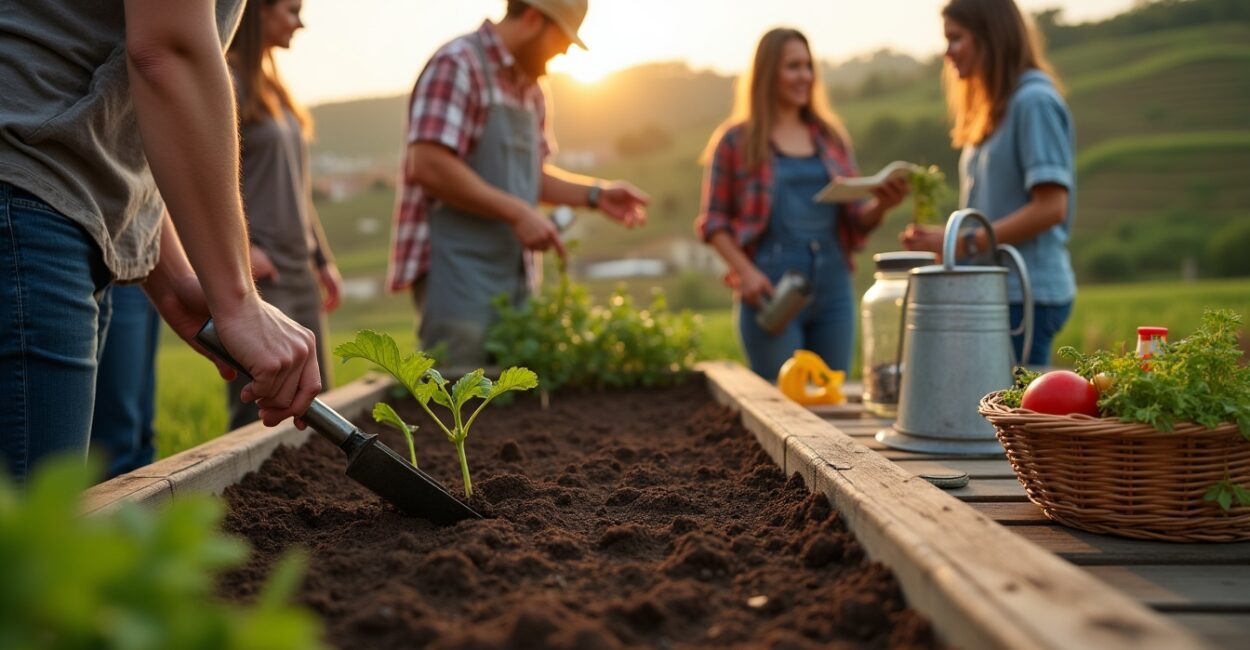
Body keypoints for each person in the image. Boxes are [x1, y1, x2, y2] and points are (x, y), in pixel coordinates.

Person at [0, 1, 321, 487]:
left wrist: (172, 279)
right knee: (33, 540)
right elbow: (167, 52)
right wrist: (238, 300)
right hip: (27, 193)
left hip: (68, 207)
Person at [388, 0, 649, 367]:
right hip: (458, 276)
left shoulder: (533, 89)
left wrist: (596, 194)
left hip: (513, 278)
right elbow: (429, 165)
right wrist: (517, 214)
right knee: (458, 399)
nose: (561, 54)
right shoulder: (458, 64)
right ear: (532, 18)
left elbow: (530, 176)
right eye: (561, 41)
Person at [695, 28, 908, 381]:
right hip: (772, 283)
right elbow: (713, 222)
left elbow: (855, 219)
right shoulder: (735, 141)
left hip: (834, 283)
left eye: (808, 66)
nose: (805, 76)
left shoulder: (830, 137)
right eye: (793, 67)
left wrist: (882, 205)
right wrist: (746, 273)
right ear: (767, 74)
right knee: (781, 406)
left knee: (830, 400)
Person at [902, 0, 1076, 366]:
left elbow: (1051, 207)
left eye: (956, 39)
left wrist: (963, 244)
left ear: (991, 38)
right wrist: (945, 240)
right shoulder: (999, 106)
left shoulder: (1034, 103)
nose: (947, 53)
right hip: (995, 291)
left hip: (1025, 294)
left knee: (1005, 416)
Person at [226, 0, 342, 431]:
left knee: (315, 398)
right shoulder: (228, 82)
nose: (301, 21)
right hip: (263, 272)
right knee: (259, 408)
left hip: (298, 268)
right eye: (292, 10)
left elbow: (296, 185)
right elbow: (209, 178)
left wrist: (322, 259)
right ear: (257, 11)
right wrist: (245, 251)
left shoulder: (275, 88)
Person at [89, 285, 162, 479]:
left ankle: (146, 491)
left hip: (149, 261)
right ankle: (109, 496)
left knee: (143, 429)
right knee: (117, 435)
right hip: (120, 273)